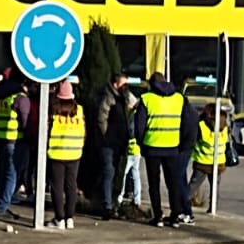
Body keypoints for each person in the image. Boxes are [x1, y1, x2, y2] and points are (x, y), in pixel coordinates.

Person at [135, 71, 200, 227]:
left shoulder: (146, 99)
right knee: (173, 182)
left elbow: (139, 126)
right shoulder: (179, 98)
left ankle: (157, 216)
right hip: (173, 147)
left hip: (152, 147)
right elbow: (187, 122)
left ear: (151, 84)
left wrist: (141, 144)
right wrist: (182, 144)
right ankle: (175, 215)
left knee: (154, 183)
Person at [92, 72, 137, 219]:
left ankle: (112, 203)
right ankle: (107, 206)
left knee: (116, 173)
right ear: (115, 84)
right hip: (108, 144)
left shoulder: (123, 98)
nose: (126, 87)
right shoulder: (108, 98)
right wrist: (106, 137)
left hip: (120, 143)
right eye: (124, 84)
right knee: (109, 172)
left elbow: (134, 105)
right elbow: (101, 119)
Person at [0, 71, 31, 220]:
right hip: (15, 139)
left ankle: (3, 203)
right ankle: (2, 207)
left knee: (3, 172)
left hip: (0, 137)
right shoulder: (19, 98)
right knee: (12, 174)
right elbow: (25, 121)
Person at [46, 80, 86, 229]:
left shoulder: (53, 110)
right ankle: (70, 218)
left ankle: (59, 218)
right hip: (74, 152)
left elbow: (46, 129)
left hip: (56, 152)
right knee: (71, 186)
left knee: (57, 187)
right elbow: (84, 130)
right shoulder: (79, 110)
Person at [188, 102, 230, 208]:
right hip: (218, 161)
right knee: (215, 187)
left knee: (192, 187)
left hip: (202, 161)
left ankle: (183, 206)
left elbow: (193, 140)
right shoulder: (225, 124)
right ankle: (213, 207)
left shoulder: (201, 125)